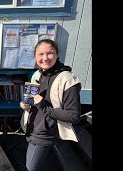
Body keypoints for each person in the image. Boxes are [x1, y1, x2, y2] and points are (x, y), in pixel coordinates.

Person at [19, 39, 81, 171]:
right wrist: (26, 105)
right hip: (31, 127)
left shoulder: (67, 79)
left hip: (45, 133)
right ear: (35, 57)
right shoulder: (36, 74)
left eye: (50, 53)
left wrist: (43, 106)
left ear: (57, 54)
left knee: (31, 167)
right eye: (40, 54)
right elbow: (32, 101)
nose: (45, 58)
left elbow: (73, 116)